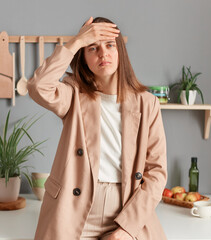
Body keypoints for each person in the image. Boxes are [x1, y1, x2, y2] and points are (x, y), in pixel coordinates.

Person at [27, 16, 167, 240]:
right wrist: (75, 42)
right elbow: (38, 87)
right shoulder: (72, 94)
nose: (103, 54)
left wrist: (125, 230)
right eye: (93, 47)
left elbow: (156, 173)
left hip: (126, 213)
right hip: (73, 214)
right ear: (83, 56)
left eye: (110, 45)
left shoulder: (147, 103)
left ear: (120, 50)